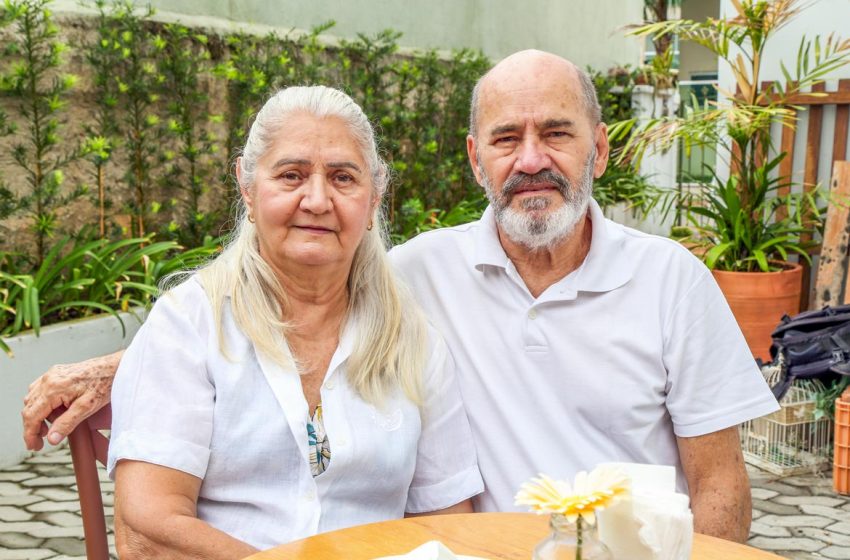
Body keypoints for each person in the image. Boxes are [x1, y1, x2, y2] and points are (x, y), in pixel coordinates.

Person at [23, 50, 778, 544]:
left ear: (601, 148)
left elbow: (719, 482)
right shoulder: (423, 274)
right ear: (476, 158)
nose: (533, 160)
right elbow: (255, 314)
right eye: (507, 138)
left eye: (557, 133)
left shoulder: (672, 280)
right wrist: (118, 366)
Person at [78, 85, 482, 558]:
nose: (317, 199)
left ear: (374, 198)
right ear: (248, 189)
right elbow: (150, 530)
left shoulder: (413, 342)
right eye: (291, 175)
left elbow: (448, 522)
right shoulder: (189, 324)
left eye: (343, 178)